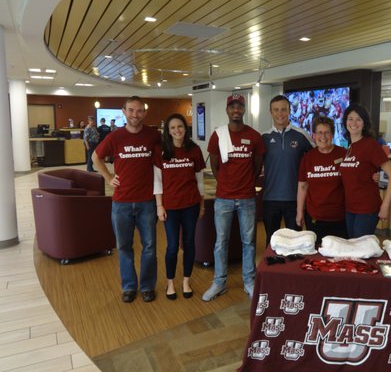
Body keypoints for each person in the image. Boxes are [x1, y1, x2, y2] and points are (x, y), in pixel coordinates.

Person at [92, 96, 161, 303]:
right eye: (131, 110)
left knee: (149, 246)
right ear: (124, 111)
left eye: (139, 111)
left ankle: (147, 286)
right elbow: (96, 158)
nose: (135, 115)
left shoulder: (153, 135)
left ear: (144, 113)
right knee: (124, 247)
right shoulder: (116, 137)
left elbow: (161, 162)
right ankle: (129, 286)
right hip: (121, 202)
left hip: (147, 201)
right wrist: (109, 177)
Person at [202, 94, 265, 301]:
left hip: (247, 197)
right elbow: (214, 166)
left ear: (244, 109)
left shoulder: (254, 136)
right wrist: (227, 183)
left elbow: (257, 166)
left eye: (239, 106)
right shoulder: (218, 135)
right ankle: (219, 282)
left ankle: (249, 281)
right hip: (223, 199)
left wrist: (245, 183)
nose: (236, 110)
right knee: (221, 242)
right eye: (232, 106)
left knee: (249, 242)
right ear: (227, 110)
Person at [153, 113, 205, 300]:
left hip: (191, 204)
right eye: (173, 128)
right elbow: (157, 182)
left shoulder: (194, 150)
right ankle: (170, 282)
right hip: (171, 206)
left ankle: (185, 280)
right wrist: (159, 206)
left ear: (185, 128)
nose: (177, 130)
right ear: (168, 131)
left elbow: (199, 181)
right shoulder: (161, 151)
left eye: (180, 126)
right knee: (173, 246)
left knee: (189, 243)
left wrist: (202, 204)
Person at [340, 104, 391, 238]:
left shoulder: (370, 145)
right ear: (345, 122)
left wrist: (385, 206)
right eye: (350, 118)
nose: (353, 123)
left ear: (364, 123)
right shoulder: (350, 147)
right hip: (350, 209)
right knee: (354, 249)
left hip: (367, 209)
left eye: (358, 119)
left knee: (361, 250)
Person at [262, 95, 314, 247]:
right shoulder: (263, 137)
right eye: (276, 110)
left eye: (283, 109)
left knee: (295, 243)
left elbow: (317, 158)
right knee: (271, 243)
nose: (280, 114)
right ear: (270, 112)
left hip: (294, 200)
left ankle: (293, 271)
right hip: (270, 199)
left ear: (290, 111)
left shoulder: (301, 135)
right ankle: (271, 271)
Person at [296, 116, 347, 243]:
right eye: (319, 132)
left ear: (333, 134)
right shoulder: (308, 158)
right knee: (317, 256)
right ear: (313, 135)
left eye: (327, 132)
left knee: (339, 257)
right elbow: (302, 186)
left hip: (339, 218)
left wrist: (373, 176)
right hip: (315, 218)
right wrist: (299, 212)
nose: (323, 137)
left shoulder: (344, 154)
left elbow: (356, 177)